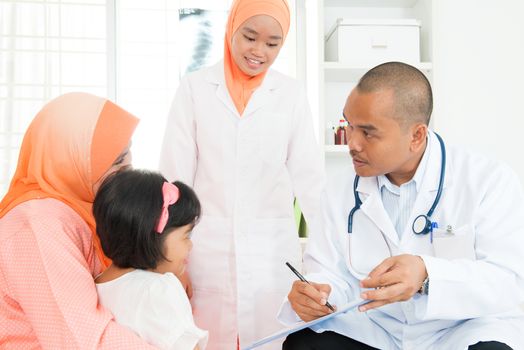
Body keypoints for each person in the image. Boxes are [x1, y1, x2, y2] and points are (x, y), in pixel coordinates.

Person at [278, 62, 524, 350]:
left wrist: (427, 275)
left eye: (368, 132)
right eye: (349, 125)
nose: (352, 143)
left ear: (416, 136)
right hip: (375, 330)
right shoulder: (339, 188)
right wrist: (319, 294)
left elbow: (508, 280)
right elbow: (329, 273)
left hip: (458, 330)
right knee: (304, 345)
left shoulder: (487, 180)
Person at [158, 0, 324, 348]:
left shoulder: (290, 95)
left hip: (271, 253)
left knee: (270, 340)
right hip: (205, 251)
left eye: (272, 43)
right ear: (232, 27)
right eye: (249, 37)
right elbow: (173, 184)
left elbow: (311, 182)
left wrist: (323, 263)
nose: (258, 51)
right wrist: (173, 264)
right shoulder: (194, 89)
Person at [0, 92, 157, 348]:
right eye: (116, 160)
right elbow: (83, 339)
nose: (129, 168)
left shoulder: (81, 212)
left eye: (128, 153)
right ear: (69, 159)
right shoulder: (40, 226)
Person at [93, 169, 208, 350]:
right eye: (186, 236)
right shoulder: (158, 289)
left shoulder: (96, 285)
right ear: (152, 237)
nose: (190, 246)